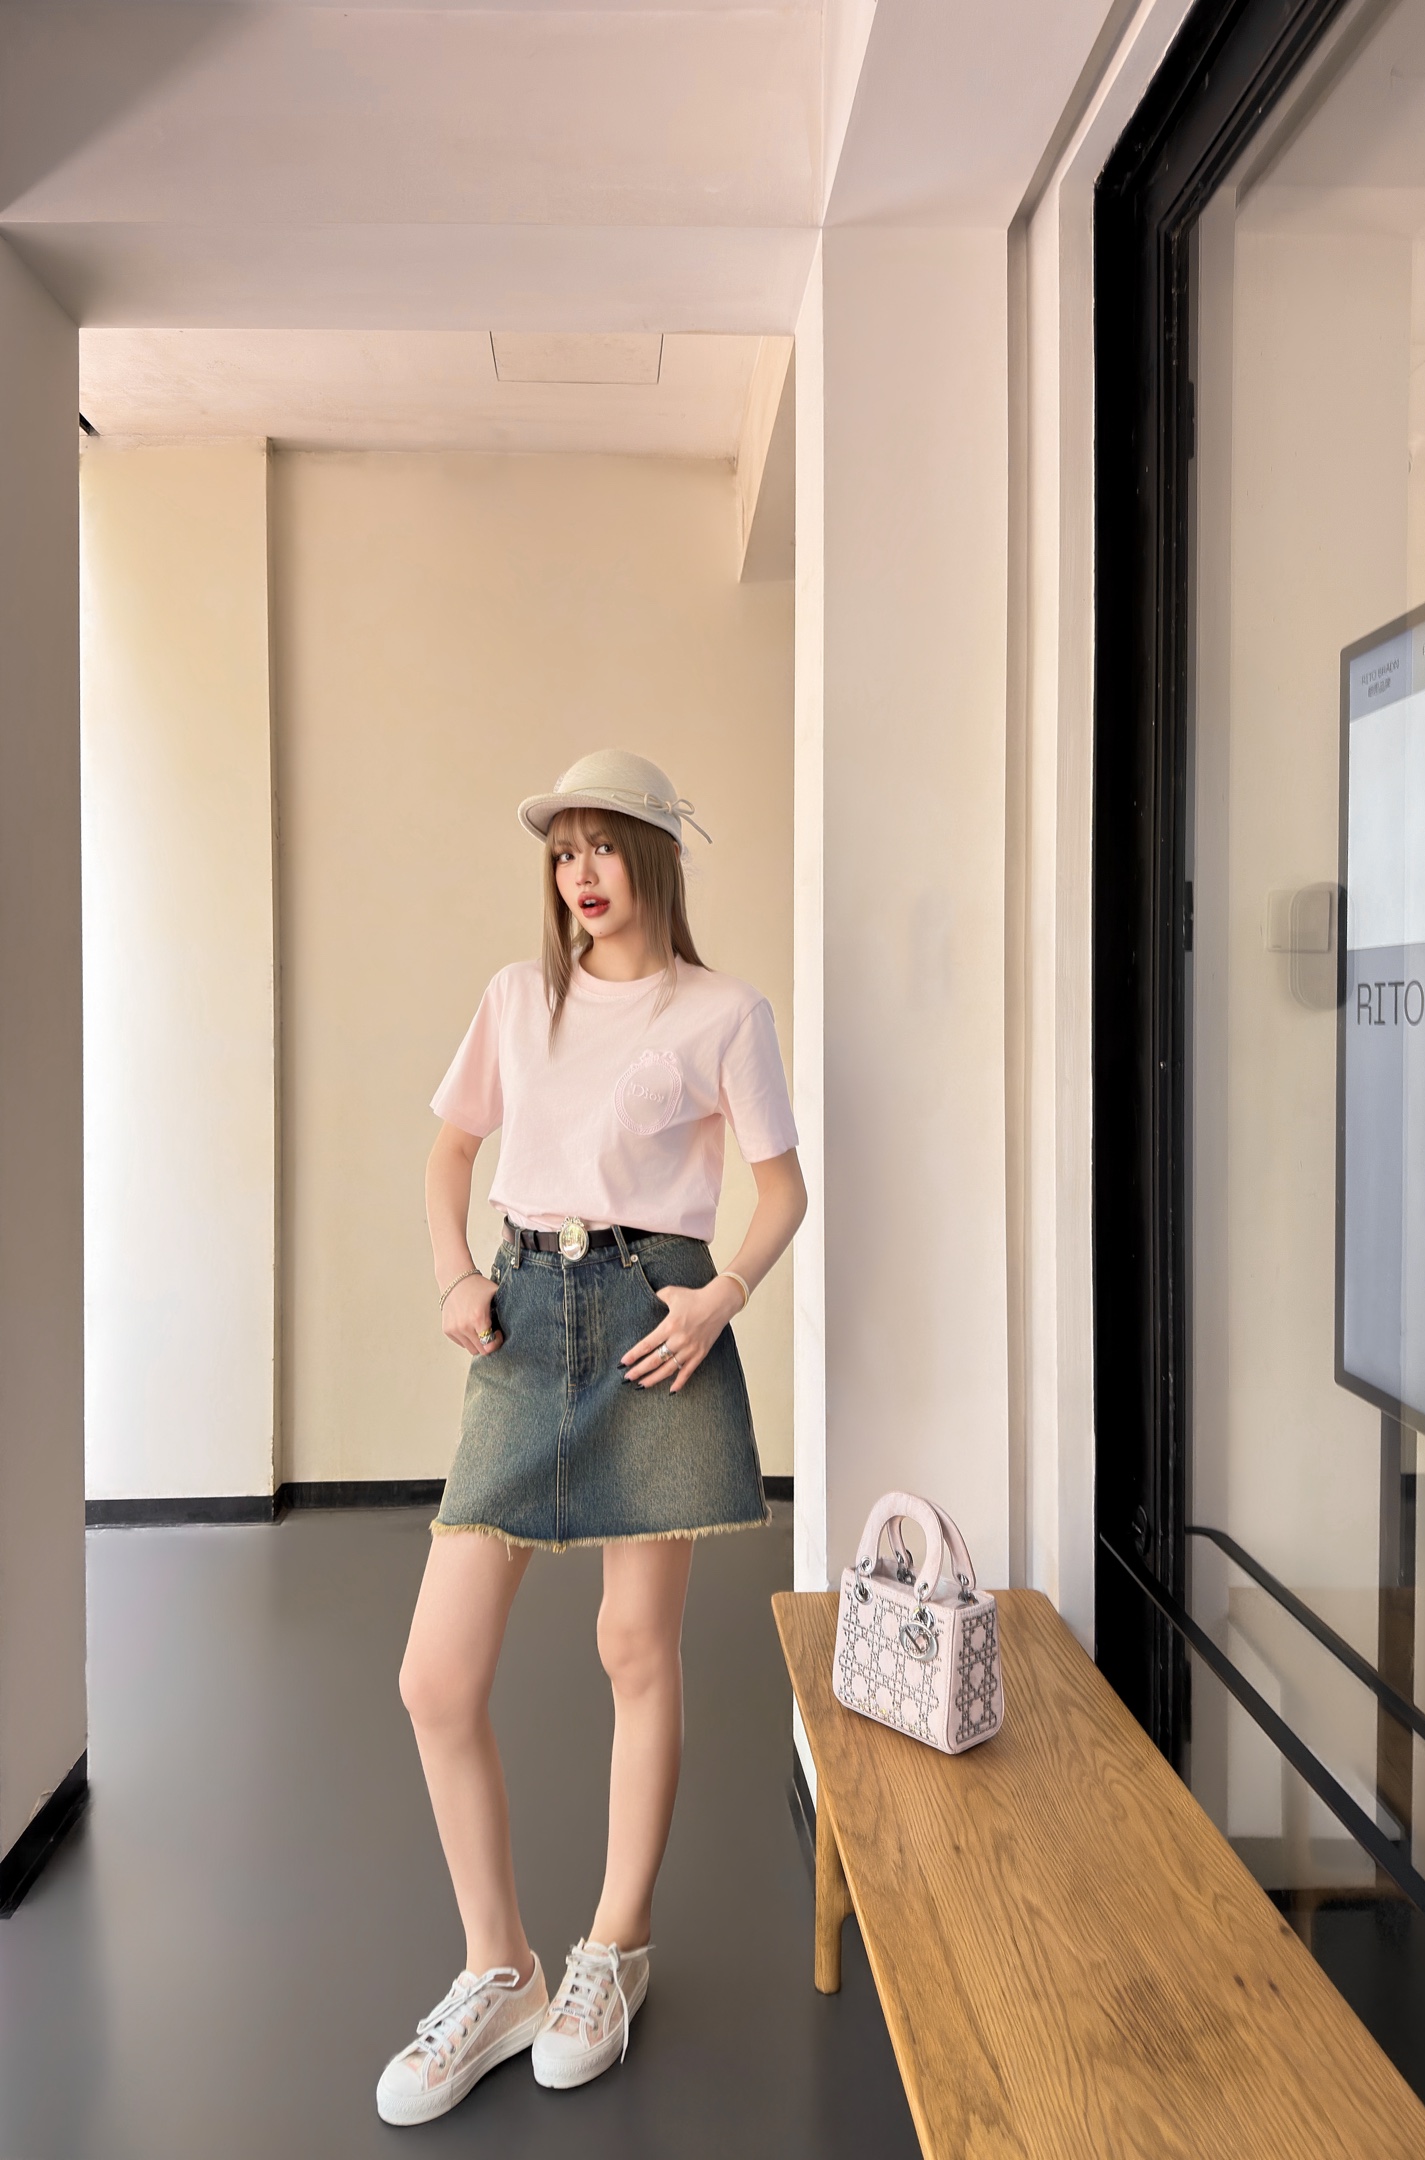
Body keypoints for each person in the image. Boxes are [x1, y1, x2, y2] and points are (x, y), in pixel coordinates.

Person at [375, 748, 807, 2126]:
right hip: (523, 1313)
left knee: (635, 1648)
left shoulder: (725, 1012)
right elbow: (451, 1152)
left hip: (649, 1318)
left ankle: (612, 1950)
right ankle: (498, 1968)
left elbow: (780, 1191)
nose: (580, 874)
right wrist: (455, 1272)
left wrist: (722, 1297)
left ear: (655, 856)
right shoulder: (519, 998)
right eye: (562, 852)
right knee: (435, 1679)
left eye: (603, 846)